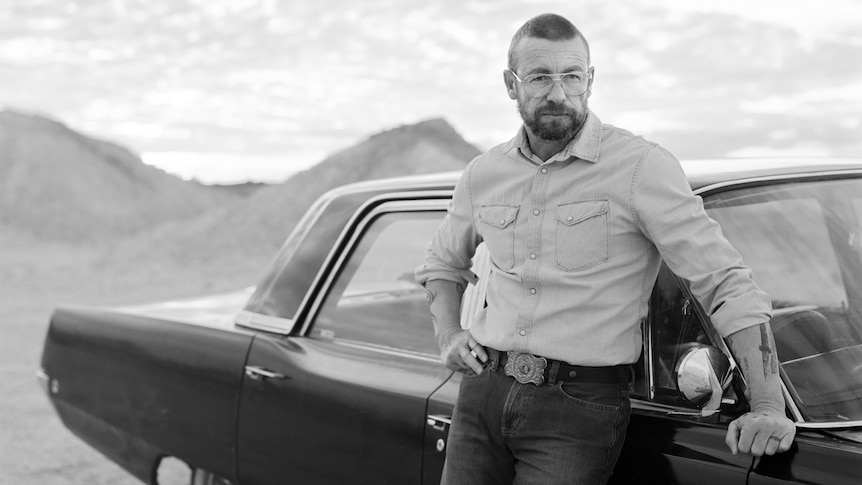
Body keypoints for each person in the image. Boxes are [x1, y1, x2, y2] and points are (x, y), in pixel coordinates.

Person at [414, 12, 795, 485]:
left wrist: (766, 405)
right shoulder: (482, 174)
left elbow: (725, 283)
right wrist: (450, 334)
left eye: (572, 77)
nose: (558, 93)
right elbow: (441, 265)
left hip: (577, 411)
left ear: (590, 81)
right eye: (539, 77)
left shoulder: (640, 168)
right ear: (511, 85)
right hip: (480, 396)